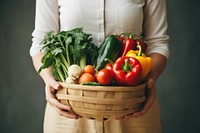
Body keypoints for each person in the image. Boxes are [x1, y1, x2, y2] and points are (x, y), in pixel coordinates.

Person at [30, 0, 169, 132]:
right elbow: (41, 43)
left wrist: (150, 78)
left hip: (132, 107)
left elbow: (158, 42)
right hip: (69, 107)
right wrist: (49, 79)